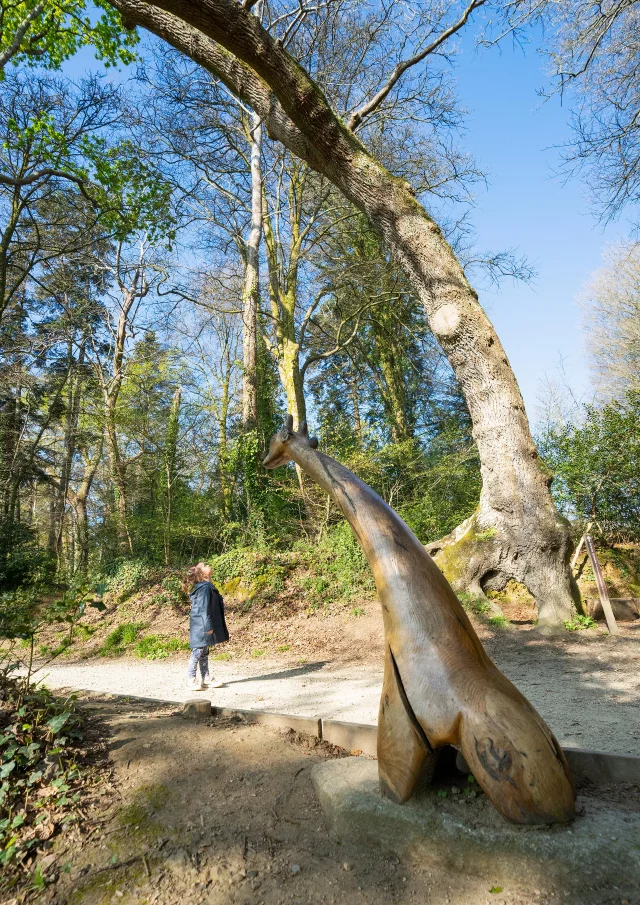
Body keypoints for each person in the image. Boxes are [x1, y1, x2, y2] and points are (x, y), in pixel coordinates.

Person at [183, 562, 229, 691]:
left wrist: (208, 579)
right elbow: (203, 609)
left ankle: (206, 678)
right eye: (204, 565)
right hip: (201, 625)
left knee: (204, 651)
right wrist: (208, 627)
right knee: (197, 651)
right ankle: (190, 679)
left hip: (202, 623)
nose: (208, 564)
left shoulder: (206, 585)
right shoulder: (204, 588)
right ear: (202, 574)